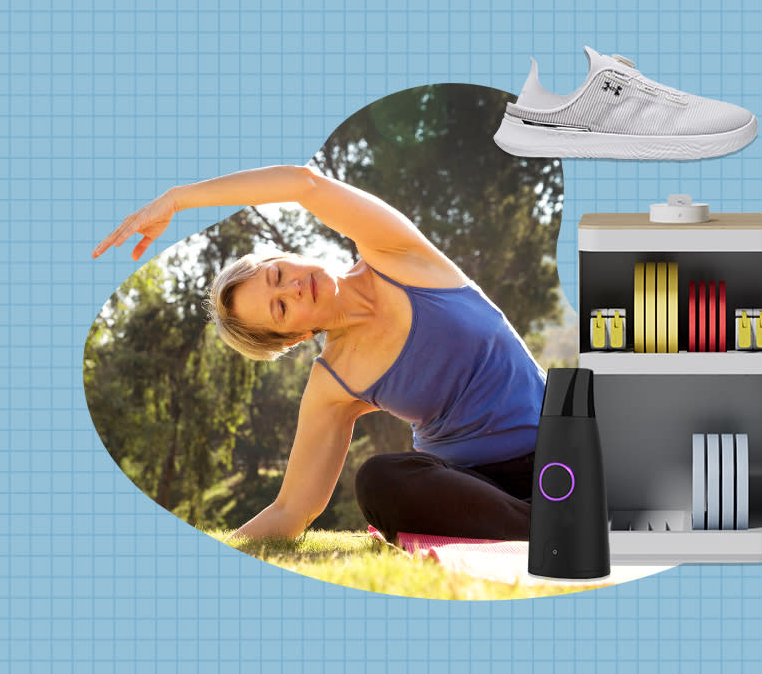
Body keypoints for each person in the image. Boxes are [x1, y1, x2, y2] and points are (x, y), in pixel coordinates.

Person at [93, 165, 546, 542]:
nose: (293, 287)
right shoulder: (335, 382)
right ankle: (547, 532)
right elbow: (293, 509)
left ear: (285, 256)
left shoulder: (396, 253)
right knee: (378, 482)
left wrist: (177, 199)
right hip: (472, 489)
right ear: (293, 337)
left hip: (558, 452)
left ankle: (547, 524)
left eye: (277, 275)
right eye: (281, 308)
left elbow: (304, 184)